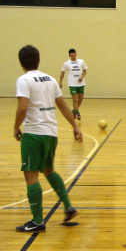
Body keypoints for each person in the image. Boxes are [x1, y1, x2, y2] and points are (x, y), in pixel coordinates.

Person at [14, 45, 82, 232]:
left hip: (34, 133)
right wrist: (75, 127)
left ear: (21, 63)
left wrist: (16, 127)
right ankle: (68, 206)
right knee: (48, 169)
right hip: (51, 133)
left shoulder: (24, 80)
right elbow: (63, 105)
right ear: (39, 60)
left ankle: (37, 221)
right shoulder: (50, 79)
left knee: (31, 175)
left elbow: (22, 108)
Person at [59, 49, 88, 120]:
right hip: (72, 84)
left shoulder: (81, 62)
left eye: (74, 55)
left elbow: (85, 71)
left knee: (80, 100)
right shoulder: (66, 63)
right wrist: (60, 82)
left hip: (81, 83)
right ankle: (78, 113)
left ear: (76, 54)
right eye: (72, 56)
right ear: (69, 56)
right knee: (74, 99)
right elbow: (62, 73)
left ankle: (74, 110)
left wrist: (82, 76)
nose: (73, 57)